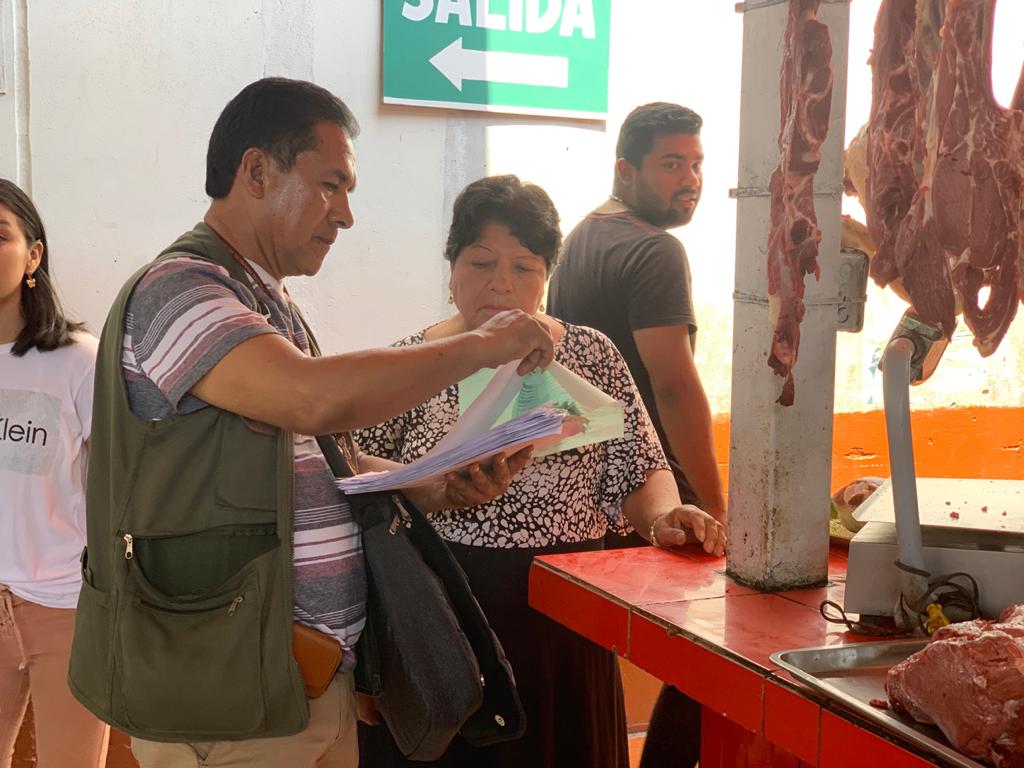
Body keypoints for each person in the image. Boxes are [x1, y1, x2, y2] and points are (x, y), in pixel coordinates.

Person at [68, 78, 553, 768]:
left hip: (302, 680)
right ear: (258, 171)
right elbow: (309, 399)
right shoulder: (178, 289)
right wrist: (485, 344)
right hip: (228, 693)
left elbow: (320, 458)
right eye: (331, 184)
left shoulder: (267, 302)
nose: (346, 215)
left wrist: (430, 483)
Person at [356, 174, 726, 768]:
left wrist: (664, 518)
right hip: (447, 616)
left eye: (525, 267)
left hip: (566, 617)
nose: (502, 283)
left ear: (546, 276)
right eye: (481, 263)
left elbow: (638, 467)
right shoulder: (409, 362)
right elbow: (355, 480)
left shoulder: (590, 353)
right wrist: (433, 489)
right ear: (451, 268)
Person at [547, 102, 724, 768]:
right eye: (672, 164)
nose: (691, 179)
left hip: (587, 487)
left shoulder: (583, 236)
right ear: (627, 169)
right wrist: (709, 498)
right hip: (652, 494)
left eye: (698, 164)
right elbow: (673, 385)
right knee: (707, 652)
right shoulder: (656, 251)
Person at [0, 179, 109, 768]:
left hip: (65, 609)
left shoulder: (77, 360)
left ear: (34, 254)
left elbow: (119, 482)